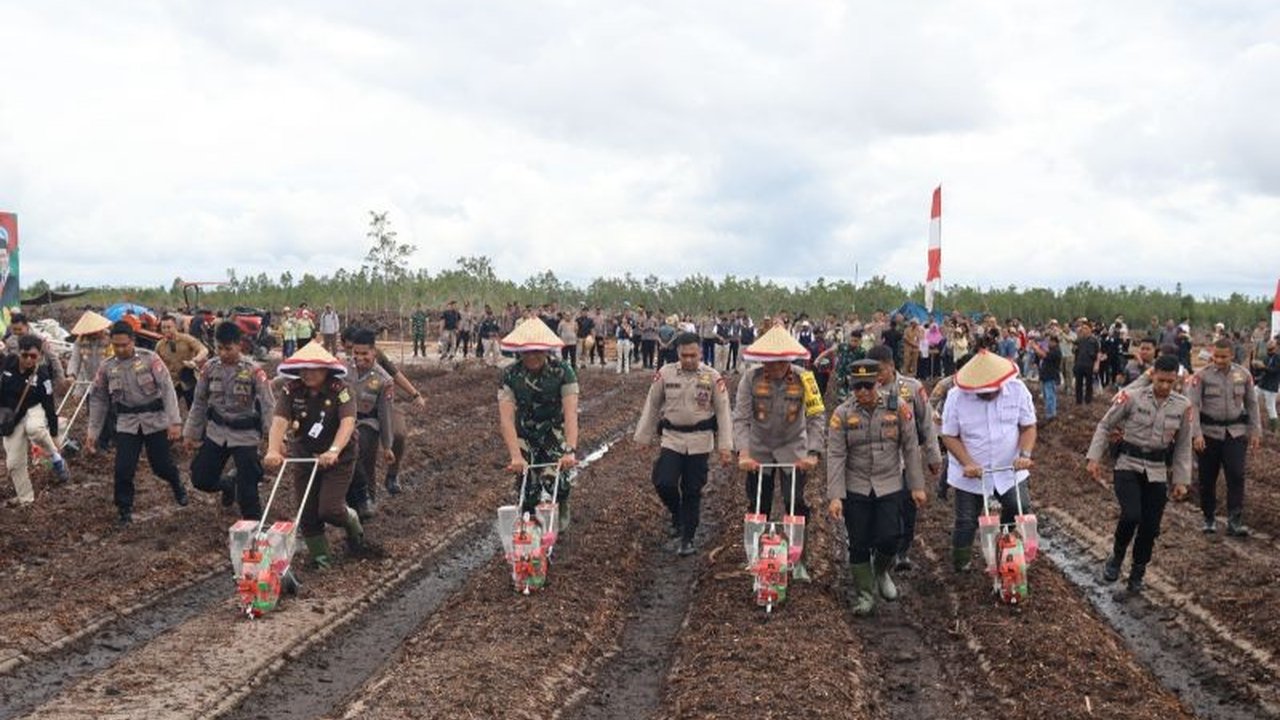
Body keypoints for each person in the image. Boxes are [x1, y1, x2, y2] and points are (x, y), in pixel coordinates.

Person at [1086, 355, 1192, 596]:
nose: (1165, 386)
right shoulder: (1132, 397)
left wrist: (1181, 480)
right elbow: (1105, 425)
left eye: (1170, 381)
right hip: (1128, 464)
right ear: (1152, 374)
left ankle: (1137, 572)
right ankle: (1117, 555)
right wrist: (1094, 458)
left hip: (1157, 470)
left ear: (1176, 378)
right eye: (1160, 380)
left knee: (1150, 527)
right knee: (1131, 514)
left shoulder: (1183, 406)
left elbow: (1184, 444)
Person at [827, 359, 926, 614]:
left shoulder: (898, 407)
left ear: (878, 383)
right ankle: (865, 595)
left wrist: (916, 486)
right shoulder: (842, 414)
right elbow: (836, 455)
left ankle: (881, 571)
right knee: (858, 542)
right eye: (857, 386)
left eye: (867, 386)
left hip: (889, 482)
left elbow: (911, 447)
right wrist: (836, 496)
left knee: (890, 536)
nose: (862, 392)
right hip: (856, 485)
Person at [732, 325, 825, 581]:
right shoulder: (750, 379)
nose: (771, 368)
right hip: (759, 448)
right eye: (767, 363)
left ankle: (798, 560)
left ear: (789, 360)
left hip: (793, 447)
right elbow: (740, 418)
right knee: (758, 504)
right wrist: (743, 453)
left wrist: (813, 453)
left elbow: (817, 417)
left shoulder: (806, 378)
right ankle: (757, 557)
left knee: (794, 504)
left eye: (778, 363)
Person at [264, 342, 369, 569]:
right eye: (303, 369)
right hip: (304, 454)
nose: (307, 374)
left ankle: (351, 520)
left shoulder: (341, 390)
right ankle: (322, 561)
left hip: (339, 456)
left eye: (313, 369)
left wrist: (333, 451)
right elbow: (280, 420)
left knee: (330, 509)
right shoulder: (291, 390)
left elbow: (347, 422)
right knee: (308, 513)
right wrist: (273, 449)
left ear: (326, 370)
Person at [635, 333, 732, 556]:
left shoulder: (712, 377)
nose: (689, 359)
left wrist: (725, 446)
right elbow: (652, 406)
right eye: (684, 355)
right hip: (672, 438)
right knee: (663, 481)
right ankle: (677, 514)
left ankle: (687, 538)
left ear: (700, 353)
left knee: (692, 490)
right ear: (678, 354)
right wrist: (643, 437)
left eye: (693, 355)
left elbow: (723, 412)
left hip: (700, 441)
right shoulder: (666, 374)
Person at [940, 350, 1037, 572]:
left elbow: (1028, 426)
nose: (988, 395)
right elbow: (949, 435)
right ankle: (961, 563)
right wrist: (967, 463)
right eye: (982, 393)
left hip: (1010, 468)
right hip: (971, 470)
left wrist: (1025, 455)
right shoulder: (956, 397)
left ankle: (1006, 548)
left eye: (992, 391)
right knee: (966, 520)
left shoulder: (1018, 390)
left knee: (1017, 505)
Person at [86, 321, 187, 526]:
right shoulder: (107, 367)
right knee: (123, 468)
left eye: (125, 345)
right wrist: (92, 432)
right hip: (126, 422)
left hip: (155, 420)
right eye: (116, 345)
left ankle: (176, 482)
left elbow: (167, 389)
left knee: (161, 466)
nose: (121, 349)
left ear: (133, 341)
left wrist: (174, 421)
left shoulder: (150, 359)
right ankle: (124, 510)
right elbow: (98, 400)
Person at [182, 322, 274, 519]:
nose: (223, 353)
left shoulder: (253, 371)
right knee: (201, 479)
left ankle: (253, 531)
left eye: (228, 349)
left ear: (239, 345)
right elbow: (199, 403)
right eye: (219, 348)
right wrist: (190, 434)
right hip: (217, 432)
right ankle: (227, 484)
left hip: (245, 435)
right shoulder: (209, 369)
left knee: (248, 490)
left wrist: (273, 440)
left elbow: (268, 405)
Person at [498, 318, 579, 525]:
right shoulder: (510, 375)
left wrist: (569, 450)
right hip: (525, 433)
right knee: (528, 488)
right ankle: (529, 525)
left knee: (554, 482)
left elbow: (571, 413)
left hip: (554, 431)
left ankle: (562, 502)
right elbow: (506, 418)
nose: (532, 356)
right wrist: (516, 455)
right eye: (527, 352)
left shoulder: (563, 371)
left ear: (546, 351)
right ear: (520, 352)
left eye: (537, 351)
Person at [867, 344, 941, 571]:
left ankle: (902, 551)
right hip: (878, 458)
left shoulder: (911, 387)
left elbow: (926, 422)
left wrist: (933, 455)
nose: (877, 376)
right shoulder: (865, 390)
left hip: (908, 455)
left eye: (880, 370)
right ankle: (877, 548)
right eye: (873, 371)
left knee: (908, 505)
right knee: (879, 504)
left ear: (891, 366)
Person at [1186, 338, 1262, 536]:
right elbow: (1192, 406)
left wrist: (1255, 431)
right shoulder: (1201, 376)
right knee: (1207, 478)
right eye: (1216, 356)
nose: (1219, 360)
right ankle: (1209, 517)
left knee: (1236, 475)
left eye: (1223, 356)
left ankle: (1234, 520)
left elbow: (1252, 404)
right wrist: (1196, 435)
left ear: (1232, 355)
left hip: (1235, 433)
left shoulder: (1243, 375)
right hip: (1209, 434)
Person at [2, 335, 70, 506]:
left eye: (33, 356)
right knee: (13, 463)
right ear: (18, 352)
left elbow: (49, 405)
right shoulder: (8, 363)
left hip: (35, 409)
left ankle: (56, 457)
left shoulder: (41, 373)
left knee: (34, 429)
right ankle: (26, 499)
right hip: (12, 415)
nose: (28, 360)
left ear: (39, 355)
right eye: (24, 355)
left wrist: (54, 434)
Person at [342, 328, 396, 520]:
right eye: (356, 353)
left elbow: (385, 414)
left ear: (374, 352)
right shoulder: (343, 369)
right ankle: (350, 502)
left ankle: (368, 500)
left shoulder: (383, 380)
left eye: (364, 354)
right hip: (344, 421)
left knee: (364, 455)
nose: (359, 358)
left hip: (367, 422)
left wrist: (387, 446)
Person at [157, 314, 209, 412]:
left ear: (175, 327)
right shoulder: (160, 345)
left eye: (169, 327)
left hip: (189, 379)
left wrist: (195, 361)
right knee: (169, 410)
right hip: (172, 382)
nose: (166, 330)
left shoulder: (186, 339)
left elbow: (204, 350)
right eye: (163, 327)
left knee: (195, 409)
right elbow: (156, 363)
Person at [1029, 335, 1062, 423]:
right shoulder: (1052, 350)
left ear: (1054, 342)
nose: (1048, 344)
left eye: (1049, 342)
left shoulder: (1056, 351)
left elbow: (1044, 355)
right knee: (1047, 396)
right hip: (1046, 376)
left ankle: (1051, 414)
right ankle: (1049, 413)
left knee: (1050, 395)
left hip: (1050, 376)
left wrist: (1036, 347)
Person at [1251, 338, 1278, 434]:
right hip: (1263, 384)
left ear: (1276, 348)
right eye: (1268, 349)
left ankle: (1274, 429)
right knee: (1251, 396)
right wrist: (1256, 367)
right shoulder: (1267, 358)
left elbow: (1275, 371)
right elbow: (1262, 371)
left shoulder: (1277, 359)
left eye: (1271, 349)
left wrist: (1263, 367)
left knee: (1270, 407)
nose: (1269, 351)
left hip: (1271, 386)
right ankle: (1249, 419)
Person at [1073, 319, 1101, 405]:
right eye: (1082, 328)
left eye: (1085, 328)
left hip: (1089, 364)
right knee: (1078, 384)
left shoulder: (1094, 340)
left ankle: (1088, 400)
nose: (1083, 330)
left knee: (1089, 384)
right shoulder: (1079, 340)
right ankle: (1079, 401)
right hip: (1079, 364)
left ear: (1090, 329)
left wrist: (1097, 365)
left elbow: (1098, 353)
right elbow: (1074, 351)